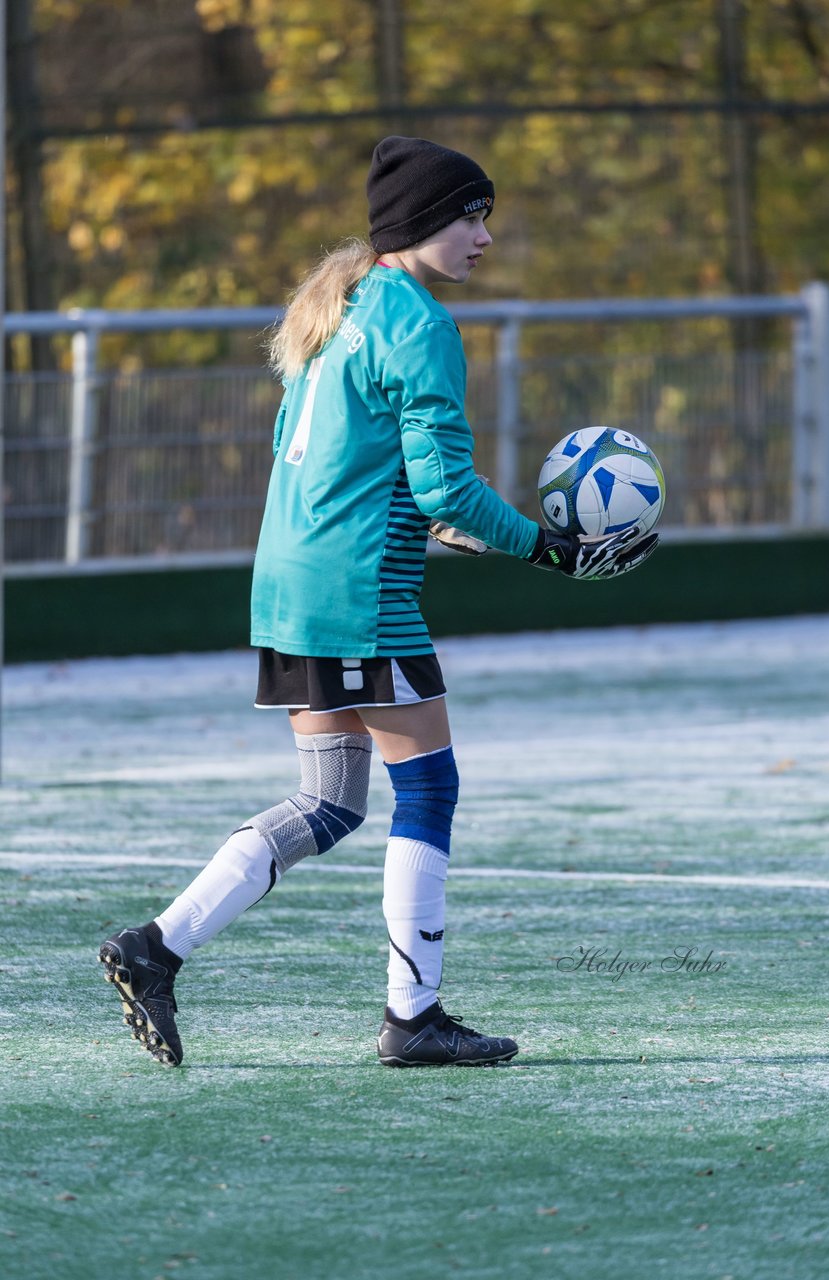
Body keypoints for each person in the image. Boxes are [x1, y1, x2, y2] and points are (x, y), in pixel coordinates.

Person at [99, 136, 657, 1069]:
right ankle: (413, 1017)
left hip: (290, 583)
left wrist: (426, 518)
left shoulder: (342, 305)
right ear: (420, 224)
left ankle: (155, 949)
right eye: (471, 216)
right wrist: (550, 549)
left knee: (328, 803)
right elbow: (444, 488)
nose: (485, 237)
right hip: (359, 596)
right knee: (429, 787)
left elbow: (335, 460)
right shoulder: (420, 321)